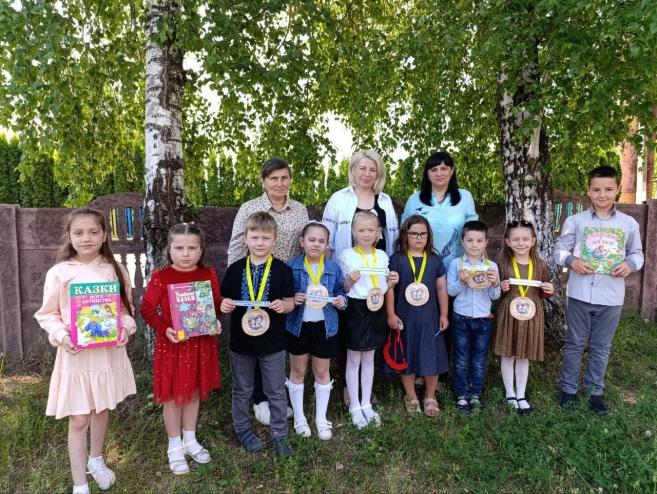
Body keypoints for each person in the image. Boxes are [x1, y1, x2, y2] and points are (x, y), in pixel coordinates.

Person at [35, 207, 137, 494]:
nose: (86, 238)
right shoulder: (60, 273)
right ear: (69, 236)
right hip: (76, 356)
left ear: (104, 235)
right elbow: (48, 314)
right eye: (78, 232)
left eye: (93, 232)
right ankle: (80, 483)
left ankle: (96, 459)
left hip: (106, 354)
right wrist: (61, 335)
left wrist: (125, 329)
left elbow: (125, 311)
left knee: (102, 408)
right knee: (80, 417)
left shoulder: (115, 270)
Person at [555, 165, 644, 414]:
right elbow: (559, 250)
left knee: (601, 346)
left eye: (608, 189)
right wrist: (571, 261)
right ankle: (568, 391)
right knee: (574, 343)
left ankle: (595, 391)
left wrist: (629, 264)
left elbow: (637, 254)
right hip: (580, 293)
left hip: (611, 296)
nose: (602, 195)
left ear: (617, 190)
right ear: (588, 191)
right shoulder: (575, 221)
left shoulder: (629, 224)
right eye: (596, 190)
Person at [226, 157, 308, 425]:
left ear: (290, 180)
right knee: (257, 334)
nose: (279, 183)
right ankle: (260, 399)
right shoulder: (250, 208)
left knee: (280, 338)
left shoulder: (299, 209)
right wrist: (236, 280)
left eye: (284, 178)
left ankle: (278, 391)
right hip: (254, 282)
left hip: (285, 282)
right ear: (263, 181)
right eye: (273, 178)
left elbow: (303, 245)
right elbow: (236, 246)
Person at [140, 223, 222, 475]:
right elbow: (147, 309)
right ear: (169, 249)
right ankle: (174, 446)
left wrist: (217, 319)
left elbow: (215, 305)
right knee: (174, 396)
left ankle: (190, 439)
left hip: (200, 345)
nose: (185, 253)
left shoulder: (207, 274)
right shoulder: (161, 276)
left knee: (194, 392)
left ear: (201, 250)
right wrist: (164, 328)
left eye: (192, 248)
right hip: (174, 346)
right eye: (179, 248)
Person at [322, 149, 399, 404]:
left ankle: (366, 389)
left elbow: (393, 239)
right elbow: (327, 240)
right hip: (348, 279)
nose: (367, 174)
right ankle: (348, 387)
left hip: (376, 281)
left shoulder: (385, 201)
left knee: (372, 333)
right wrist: (329, 276)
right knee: (350, 333)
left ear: (379, 173)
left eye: (372, 169)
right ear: (353, 170)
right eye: (362, 168)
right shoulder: (339, 199)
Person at [220, 212, 295, 456]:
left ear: (275, 239)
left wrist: (285, 306)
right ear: (246, 238)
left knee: (276, 390)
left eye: (265, 237)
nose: (260, 242)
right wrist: (224, 304)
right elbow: (224, 299)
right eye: (254, 237)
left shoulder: (283, 270)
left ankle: (280, 434)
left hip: (273, 342)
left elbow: (290, 302)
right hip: (241, 343)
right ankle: (242, 429)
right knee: (242, 389)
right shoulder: (235, 269)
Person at [285, 222, 347, 440]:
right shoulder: (291, 267)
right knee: (298, 371)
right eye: (312, 240)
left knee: (322, 372)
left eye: (322, 241)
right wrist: (293, 298)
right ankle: (300, 417)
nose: (316, 244)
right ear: (302, 242)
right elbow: (285, 297)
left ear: (327, 245)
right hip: (298, 326)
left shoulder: (333, 268)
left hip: (325, 327)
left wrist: (342, 300)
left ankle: (321, 418)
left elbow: (341, 292)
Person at [338, 211, 399, 428]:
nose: (366, 234)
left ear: (379, 232)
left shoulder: (382, 256)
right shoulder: (346, 255)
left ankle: (366, 403)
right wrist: (349, 282)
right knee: (354, 359)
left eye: (371, 230)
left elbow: (384, 286)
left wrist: (391, 282)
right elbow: (343, 288)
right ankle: (354, 405)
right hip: (355, 309)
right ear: (353, 232)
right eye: (361, 230)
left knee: (370, 358)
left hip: (376, 307)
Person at [384, 215, 449, 417]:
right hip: (405, 319)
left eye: (423, 234)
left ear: (428, 235)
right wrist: (391, 314)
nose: (419, 237)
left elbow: (441, 288)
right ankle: (411, 396)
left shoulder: (434, 259)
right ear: (405, 235)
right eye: (414, 234)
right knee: (407, 357)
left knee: (432, 357)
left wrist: (444, 314)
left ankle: (430, 396)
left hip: (430, 319)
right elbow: (389, 288)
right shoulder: (397, 259)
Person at [495, 221, 554, 415]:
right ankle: (510, 393)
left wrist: (549, 290)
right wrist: (500, 287)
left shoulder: (540, 265)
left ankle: (521, 394)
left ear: (533, 240)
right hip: (508, 313)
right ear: (508, 241)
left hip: (531, 315)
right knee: (508, 353)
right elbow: (494, 291)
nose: (521, 243)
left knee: (523, 355)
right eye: (516, 239)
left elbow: (543, 291)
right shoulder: (502, 263)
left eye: (525, 239)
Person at [446, 220, 501, 414]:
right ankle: (461, 395)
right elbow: (451, 292)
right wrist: (461, 282)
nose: (474, 245)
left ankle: (475, 394)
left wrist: (495, 283)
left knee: (478, 360)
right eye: (469, 240)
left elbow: (495, 296)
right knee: (460, 358)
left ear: (486, 242)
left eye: (479, 240)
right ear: (462, 242)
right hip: (460, 318)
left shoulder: (491, 266)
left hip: (483, 319)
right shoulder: (456, 264)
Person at [402, 151, 478, 270]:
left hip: (459, 269)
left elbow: (475, 232)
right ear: (427, 173)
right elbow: (404, 234)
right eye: (434, 170)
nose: (439, 173)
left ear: (452, 171)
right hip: (421, 267)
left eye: (443, 168)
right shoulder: (414, 199)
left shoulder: (465, 197)